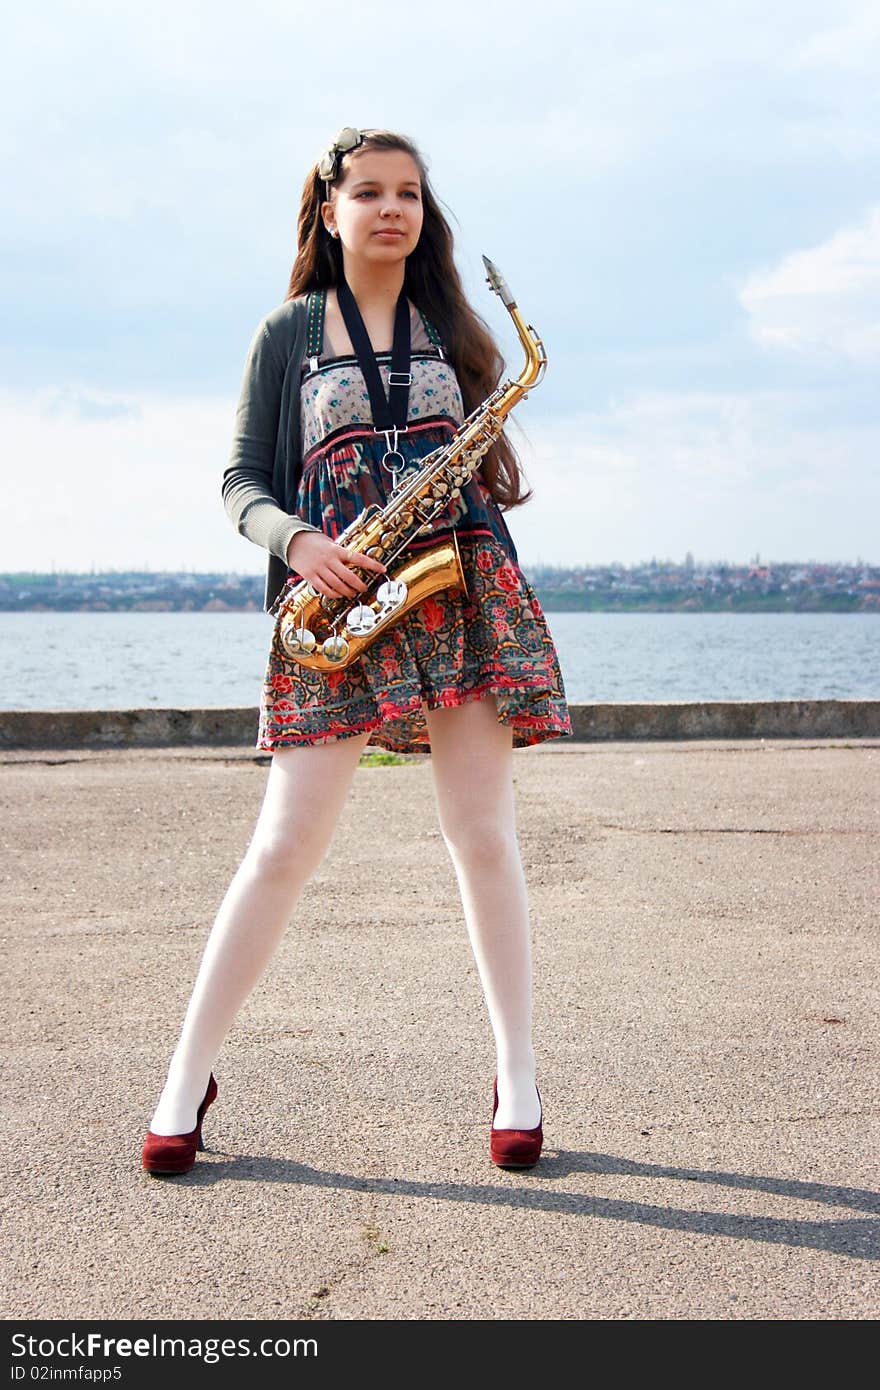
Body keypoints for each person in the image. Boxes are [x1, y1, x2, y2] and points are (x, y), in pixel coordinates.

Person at [141, 126, 572, 1177]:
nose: (392, 209)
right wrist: (298, 541)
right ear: (326, 209)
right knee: (282, 848)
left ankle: (516, 1073)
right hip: (334, 600)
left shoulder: (454, 328)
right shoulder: (288, 331)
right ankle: (185, 1076)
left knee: (483, 836)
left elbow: (479, 458)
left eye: (411, 194)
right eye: (370, 192)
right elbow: (241, 480)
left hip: (455, 586)